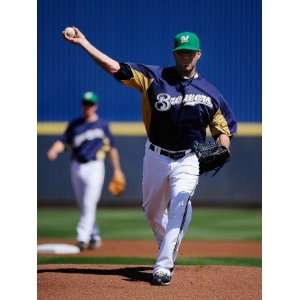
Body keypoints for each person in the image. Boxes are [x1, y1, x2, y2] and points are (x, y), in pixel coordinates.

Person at [62, 28, 237, 284]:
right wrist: (85, 43)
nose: (185, 57)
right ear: (174, 54)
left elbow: (224, 130)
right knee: (152, 212)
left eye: (190, 52)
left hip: (188, 159)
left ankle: (163, 266)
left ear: (199, 54)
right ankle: (169, 243)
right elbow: (114, 67)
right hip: (156, 155)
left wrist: (223, 148)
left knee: (179, 205)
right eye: (181, 52)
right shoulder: (153, 77)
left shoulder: (211, 93)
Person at [47, 91, 126, 251]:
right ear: (82, 105)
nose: (87, 107)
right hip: (76, 166)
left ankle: (82, 238)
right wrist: (54, 150)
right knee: (83, 205)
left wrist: (117, 170)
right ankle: (94, 235)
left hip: (95, 167)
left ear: (95, 106)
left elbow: (112, 148)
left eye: (90, 104)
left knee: (89, 203)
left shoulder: (102, 125)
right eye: (85, 103)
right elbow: (63, 141)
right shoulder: (75, 124)